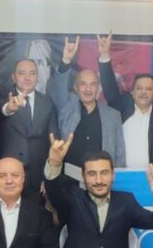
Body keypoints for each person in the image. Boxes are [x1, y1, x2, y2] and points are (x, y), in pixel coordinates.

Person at [49, 36, 126, 178]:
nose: (88, 89)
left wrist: (118, 181)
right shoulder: (67, 108)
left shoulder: (112, 115)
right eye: (83, 84)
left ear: (98, 88)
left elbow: (119, 153)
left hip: (100, 182)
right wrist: (66, 60)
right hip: (69, 180)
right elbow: (58, 88)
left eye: (93, 84)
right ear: (76, 88)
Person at [97, 31, 153, 168]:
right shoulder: (122, 109)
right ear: (132, 92)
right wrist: (104, 56)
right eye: (139, 88)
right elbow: (110, 89)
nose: (143, 92)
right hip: (121, 174)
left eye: (148, 89)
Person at [0, 59, 58, 202]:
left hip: (38, 177)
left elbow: (53, 142)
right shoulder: (2, 96)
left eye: (32, 73)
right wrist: (8, 108)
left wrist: (48, 177)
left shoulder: (47, 102)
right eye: (22, 73)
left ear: (37, 77)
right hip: (9, 175)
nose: (27, 78)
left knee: (36, 214)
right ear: (13, 77)